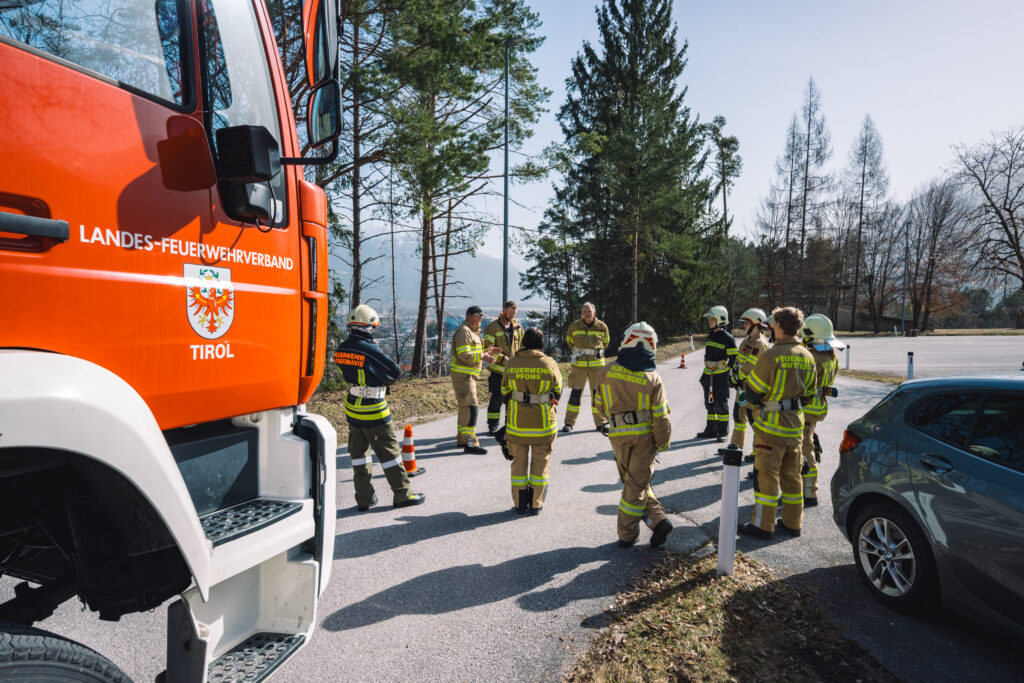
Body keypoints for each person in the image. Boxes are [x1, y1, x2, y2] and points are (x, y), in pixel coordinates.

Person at [333, 304, 426, 511]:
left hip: (353, 408)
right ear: (368, 326)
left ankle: (364, 498)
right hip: (373, 408)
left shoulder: (342, 348)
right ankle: (403, 494)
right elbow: (394, 372)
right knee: (390, 454)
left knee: (359, 455)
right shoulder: (370, 349)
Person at [594, 322, 673, 548]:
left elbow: (599, 405)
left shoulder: (606, 371)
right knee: (636, 485)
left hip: (618, 437)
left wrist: (604, 422)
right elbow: (662, 418)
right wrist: (662, 444)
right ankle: (628, 535)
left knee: (633, 483)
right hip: (645, 440)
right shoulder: (653, 378)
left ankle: (658, 521)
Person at [739, 307, 816, 540]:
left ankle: (763, 526)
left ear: (780, 326)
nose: (771, 330)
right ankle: (793, 523)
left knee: (767, 477)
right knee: (793, 477)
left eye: (773, 325)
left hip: (770, 430)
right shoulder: (808, 356)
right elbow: (810, 395)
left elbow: (753, 393)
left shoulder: (771, 356)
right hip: (795, 428)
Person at [500, 328, 561, 515]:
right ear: (541, 343)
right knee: (540, 464)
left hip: (517, 425)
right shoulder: (549, 363)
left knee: (518, 464)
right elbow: (557, 391)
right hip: (543, 426)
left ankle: (520, 504)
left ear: (524, 342)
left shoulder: (512, 363)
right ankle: (536, 504)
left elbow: (504, 392)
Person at [799, 314, 842, 507]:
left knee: (805, 448)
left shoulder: (812, 357)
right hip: (819, 406)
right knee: (807, 442)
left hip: (807, 407)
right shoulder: (831, 355)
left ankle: (810, 492)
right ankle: (805, 488)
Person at [451, 305, 498, 454]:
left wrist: (487, 351)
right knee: (472, 408)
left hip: (468, 375)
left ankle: (463, 439)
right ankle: (471, 443)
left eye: (481, 316)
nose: (481, 319)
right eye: (479, 316)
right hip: (464, 376)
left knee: (465, 408)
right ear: (470, 316)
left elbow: (473, 352)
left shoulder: (472, 331)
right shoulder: (464, 331)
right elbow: (464, 354)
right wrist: (483, 356)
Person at [725, 308, 770, 461]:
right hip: (741, 387)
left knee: (754, 420)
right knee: (738, 417)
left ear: (756, 324)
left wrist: (735, 378)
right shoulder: (746, 341)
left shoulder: (759, 343)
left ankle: (758, 451)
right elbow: (738, 362)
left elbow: (749, 367)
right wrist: (733, 375)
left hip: (753, 388)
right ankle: (735, 447)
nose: (744, 325)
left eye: (746, 323)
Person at [562, 303, 611, 434]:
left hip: (597, 367)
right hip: (579, 366)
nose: (587, 313)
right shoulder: (574, 326)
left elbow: (606, 343)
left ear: (594, 313)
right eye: (584, 311)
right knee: (575, 395)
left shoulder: (602, 327)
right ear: (582, 313)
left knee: (597, 395)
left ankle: (601, 423)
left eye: (589, 311)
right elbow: (569, 341)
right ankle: (569, 423)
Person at [696, 306, 738, 442]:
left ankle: (723, 432)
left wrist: (728, 374)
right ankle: (711, 430)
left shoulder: (728, 338)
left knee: (720, 404)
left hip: (721, 377)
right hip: (709, 376)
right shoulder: (711, 337)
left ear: (721, 320)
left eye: (712, 319)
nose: (710, 322)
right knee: (709, 404)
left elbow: (733, 359)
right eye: (709, 319)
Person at [482, 300, 524, 435]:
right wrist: (506, 361)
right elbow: (487, 349)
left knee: (512, 400)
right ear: (504, 310)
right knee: (497, 399)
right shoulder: (492, 328)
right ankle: (493, 426)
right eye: (510, 313)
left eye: (514, 314)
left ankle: (509, 425)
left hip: (514, 372)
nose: (512, 316)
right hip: (498, 371)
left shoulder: (518, 328)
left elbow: (523, 347)